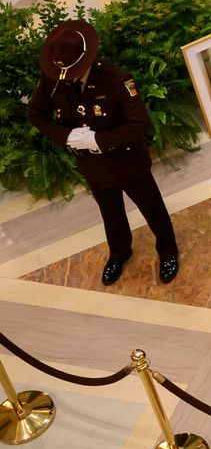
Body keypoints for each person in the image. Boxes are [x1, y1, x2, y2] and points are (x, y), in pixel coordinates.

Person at [28, 20, 180, 285]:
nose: (68, 78)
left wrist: (99, 139)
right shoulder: (53, 80)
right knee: (110, 212)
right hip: (93, 165)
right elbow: (36, 113)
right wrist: (66, 136)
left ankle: (168, 250)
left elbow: (139, 123)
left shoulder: (116, 79)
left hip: (127, 160)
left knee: (152, 207)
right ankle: (120, 251)